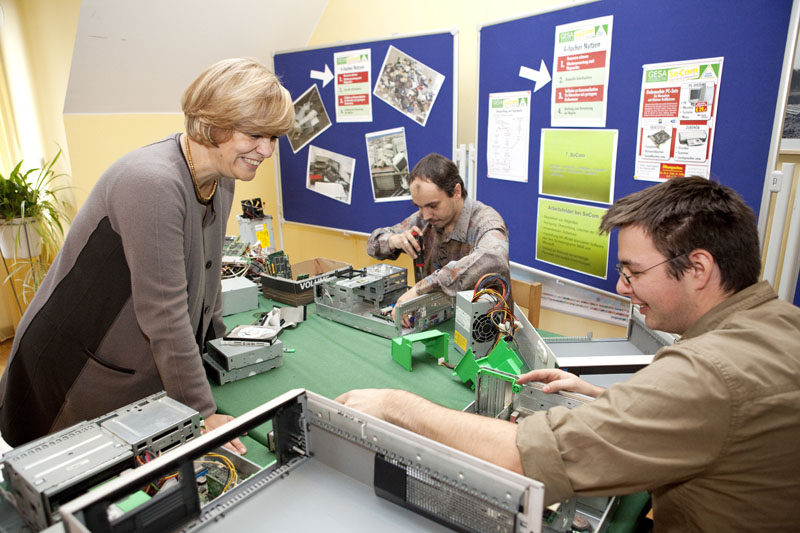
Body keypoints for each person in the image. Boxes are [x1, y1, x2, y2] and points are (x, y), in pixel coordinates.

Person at [339, 176, 800, 531]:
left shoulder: (711, 373)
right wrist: (599, 396)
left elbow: (525, 457)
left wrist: (398, 406)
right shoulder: (778, 322)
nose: (622, 287)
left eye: (634, 272)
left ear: (698, 268)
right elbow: (704, 419)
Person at [0, 58, 294, 452]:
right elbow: (165, 313)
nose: (267, 150)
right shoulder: (151, 183)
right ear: (214, 123)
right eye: (256, 134)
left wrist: (219, 352)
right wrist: (202, 412)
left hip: (130, 360)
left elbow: (208, 278)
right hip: (75, 370)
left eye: (273, 137)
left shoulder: (221, 177)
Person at [367, 153, 511, 319]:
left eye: (433, 205)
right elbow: (373, 245)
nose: (426, 215)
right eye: (419, 206)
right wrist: (394, 240)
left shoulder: (486, 221)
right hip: (432, 322)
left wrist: (422, 287)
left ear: (456, 192)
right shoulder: (423, 220)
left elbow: (494, 258)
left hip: (483, 327)